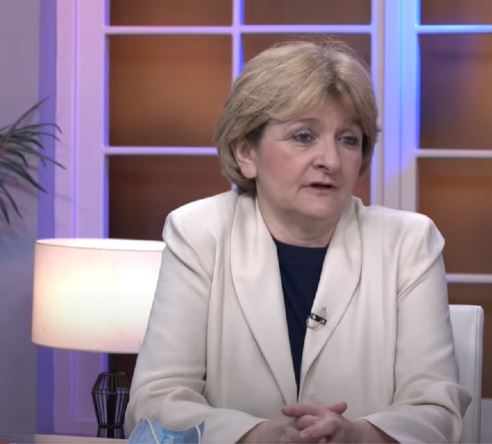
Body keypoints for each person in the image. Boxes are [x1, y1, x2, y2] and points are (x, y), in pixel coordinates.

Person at [125, 40, 470, 443]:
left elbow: (436, 411)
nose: (331, 160)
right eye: (304, 136)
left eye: (348, 139)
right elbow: (154, 404)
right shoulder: (199, 233)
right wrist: (254, 436)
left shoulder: (408, 243)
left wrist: (358, 436)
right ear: (246, 152)